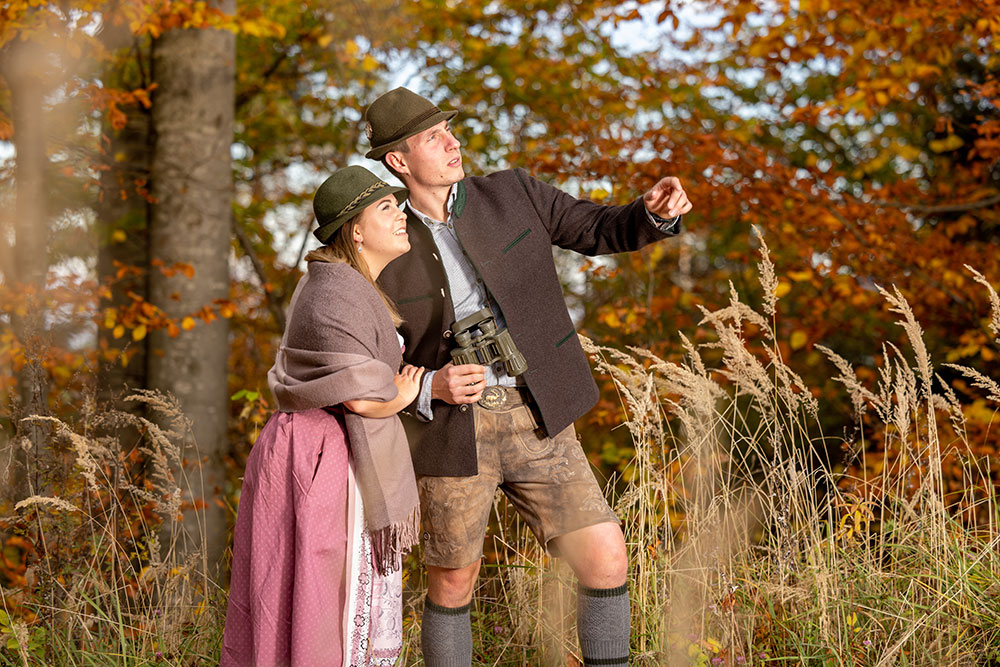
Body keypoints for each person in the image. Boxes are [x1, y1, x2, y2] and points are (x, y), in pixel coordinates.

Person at [362, 87, 693, 666]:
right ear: (398, 160)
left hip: (538, 413)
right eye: (433, 137)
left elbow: (596, 227)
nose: (452, 141)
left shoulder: (512, 193)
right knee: (452, 584)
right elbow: (363, 346)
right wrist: (426, 389)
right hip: (446, 428)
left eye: (450, 128)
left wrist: (650, 215)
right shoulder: (381, 233)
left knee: (606, 557)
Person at [221, 165, 425, 667]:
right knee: (320, 594)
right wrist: (398, 398)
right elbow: (357, 395)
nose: (401, 216)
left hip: (327, 449)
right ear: (355, 229)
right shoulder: (335, 290)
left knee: (321, 594)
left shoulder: (352, 285)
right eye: (386, 208)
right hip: (320, 455)